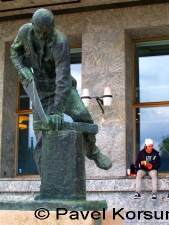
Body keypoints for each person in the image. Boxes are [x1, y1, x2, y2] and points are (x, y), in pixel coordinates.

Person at [10, 8, 112, 175]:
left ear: (52, 26)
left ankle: (93, 151)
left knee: (84, 117)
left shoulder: (60, 41)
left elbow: (62, 79)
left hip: (61, 86)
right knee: (41, 139)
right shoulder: (25, 32)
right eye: (38, 31)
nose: (42, 35)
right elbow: (15, 51)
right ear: (32, 24)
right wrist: (21, 68)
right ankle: (46, 187)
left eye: (46, 31)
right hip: (39, 90)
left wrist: (57, 111)